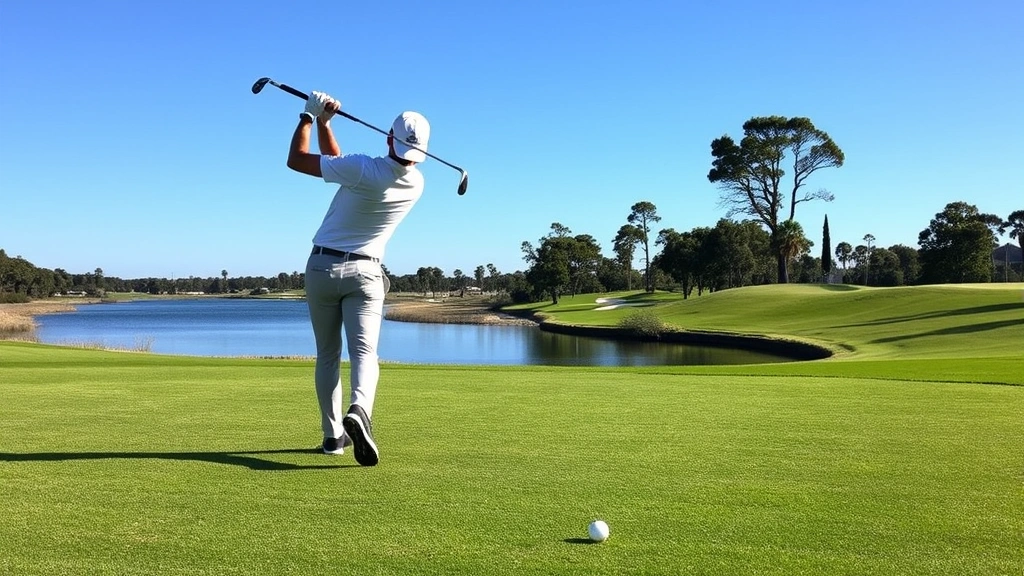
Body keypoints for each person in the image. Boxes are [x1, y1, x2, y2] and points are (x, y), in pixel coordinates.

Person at [286, 90, 429, 466]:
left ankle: (333, 437)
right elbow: (338, 163)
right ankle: (360, 409)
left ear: (388, 137)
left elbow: (298, 160)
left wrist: (307, 115)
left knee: (328, 355)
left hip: (322, 267)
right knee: (364, 353)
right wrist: (325, 122)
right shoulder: (416, 184)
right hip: (366, 273)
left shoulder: (363, 168)